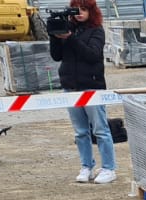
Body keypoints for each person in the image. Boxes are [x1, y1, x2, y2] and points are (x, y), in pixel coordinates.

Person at [48, 0, 117, 184]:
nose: (79, 12)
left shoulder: (97, 31)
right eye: (76, 9)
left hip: (91, 86)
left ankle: (109, 168)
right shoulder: (68, 28)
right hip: (70, 87)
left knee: (101, 130)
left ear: (91, 11)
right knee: (80, 132)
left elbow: (92, 55)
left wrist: (71, 38)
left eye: (84, 9)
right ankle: (86, 166)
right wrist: (54, 36)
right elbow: (56, 56)